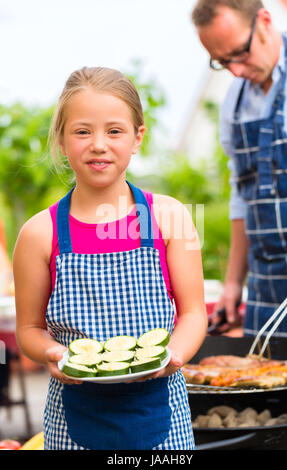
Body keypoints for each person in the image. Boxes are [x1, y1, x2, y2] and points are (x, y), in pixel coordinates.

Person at [13, 66, 207, 450]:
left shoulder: (169, 218)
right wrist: (54, 353)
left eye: (114, 131)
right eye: (82, 131)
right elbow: (28, 330)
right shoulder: (39, 234)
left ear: (138, 138)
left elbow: (194, 313)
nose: (98, 144)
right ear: (62, 141)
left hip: (161, 413)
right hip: (74, 417)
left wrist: (174, 355)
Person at [192, 0, 287, 338]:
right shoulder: (234, 102)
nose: (235, 71)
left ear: (265, 21)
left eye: (239, 53)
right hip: (265, 285)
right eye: (222, 62)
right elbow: (243, 198)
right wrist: (232, 284)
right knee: (264, 384)